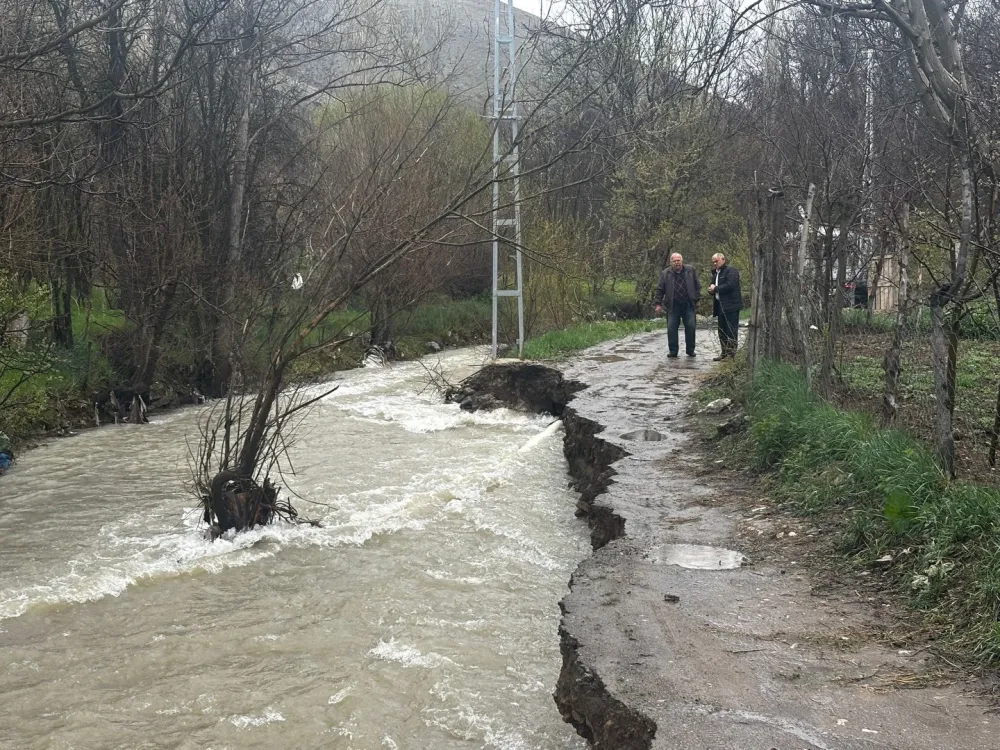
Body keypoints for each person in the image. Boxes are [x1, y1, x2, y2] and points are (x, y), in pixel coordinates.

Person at [653, 252, 701, 358]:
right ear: (671, 262)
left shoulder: (690, 270)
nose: (677, 263)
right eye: (674, 261)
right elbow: (660, 290)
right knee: (671, 328)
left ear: (682, 261)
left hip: (688, 304)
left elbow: (697, 286)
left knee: (691, 326)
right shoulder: (665, 273)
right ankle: (673, 351)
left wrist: (697, 299)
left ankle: (690, 350)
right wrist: (658, 304)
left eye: (678, 260)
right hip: (672, 305)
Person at [708, 253, 742, 360]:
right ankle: (724, 353)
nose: (715, 263)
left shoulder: (731, 271)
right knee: (721, 330)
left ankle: (731, 354)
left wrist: (716, 288)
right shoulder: (716, 273)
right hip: (720, 305)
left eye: (716, 261)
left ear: (723, 260)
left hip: (731, 305)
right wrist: (711, 291)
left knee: (731, 330)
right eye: (713, 262)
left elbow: (730, 285)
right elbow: (713, 287)